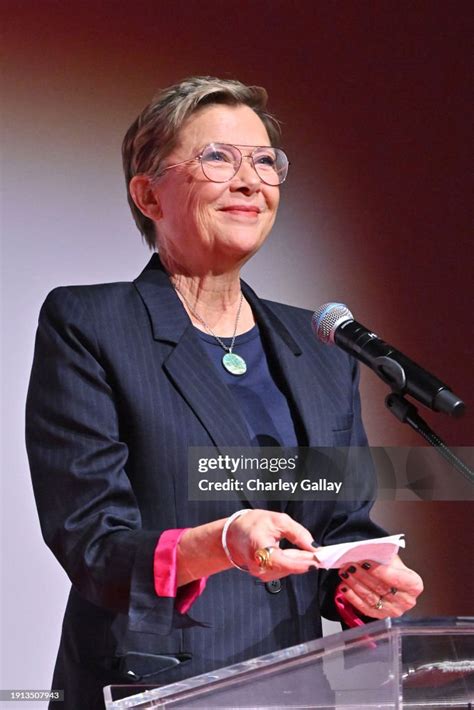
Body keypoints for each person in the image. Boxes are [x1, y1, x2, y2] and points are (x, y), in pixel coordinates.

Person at [26, 76, 423, 709]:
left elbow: (336, 522)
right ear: (148, 194)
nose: (250, 181)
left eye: (266, 161)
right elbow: (91, 539)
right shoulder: (91, 325)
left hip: (293, 687)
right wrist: (223, 540)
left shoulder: (316, 344)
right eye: (218, 158)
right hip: (153, 685)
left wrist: (358, 578)